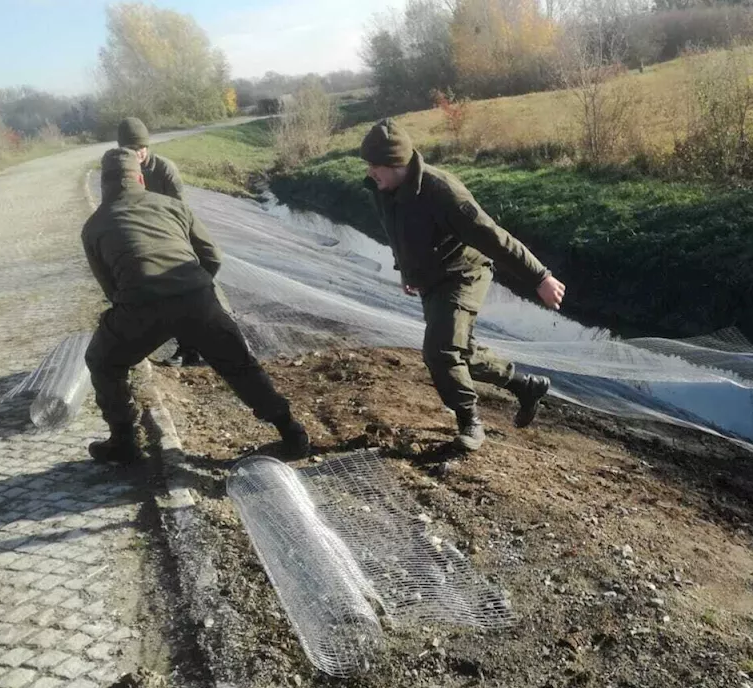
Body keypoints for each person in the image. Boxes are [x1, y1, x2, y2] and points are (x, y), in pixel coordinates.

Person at [82, 148, 310, 464]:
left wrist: (138, 318)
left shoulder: (93, 226)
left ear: (104, 184)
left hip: (139, 308)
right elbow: (213, 256)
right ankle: (292, 433)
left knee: (102, 361)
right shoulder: (173, 207)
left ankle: (123, 441)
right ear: (139, 178)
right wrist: (196, 289)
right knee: (239, 365)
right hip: (198, 298)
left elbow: (110, 289)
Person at [359, 118, 566, 452]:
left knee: (440, 351)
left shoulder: (443, 193)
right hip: (429, 279)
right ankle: (524, 386)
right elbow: (396, 231)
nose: (369, 172)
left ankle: (469, 421)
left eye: (375, 166)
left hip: (463, 274)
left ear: (396, 162)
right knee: (460, 351)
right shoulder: (382, 189)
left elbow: (494, 239)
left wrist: (540, 277)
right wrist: (405, 271)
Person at [116, 117, 201, 367]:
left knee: (186, 293)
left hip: (171, 236)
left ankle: (191, 349)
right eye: (130, 150)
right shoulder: (122, 171)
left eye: (140, 148)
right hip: (143, 240)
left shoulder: (165, 170)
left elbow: (181, 211)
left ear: (147, 146)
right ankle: (155, 344)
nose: (137, 154)